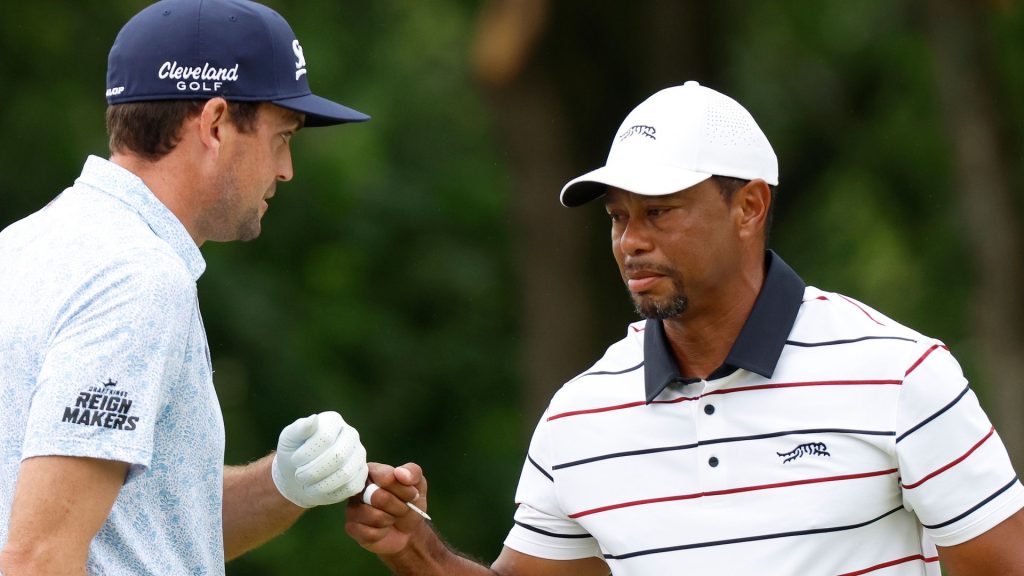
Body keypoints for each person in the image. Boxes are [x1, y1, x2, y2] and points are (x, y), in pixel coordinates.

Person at [345, 81, 1024, 575]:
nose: (631, 241)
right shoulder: (580, 416)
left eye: (660, 212)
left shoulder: (898, 374)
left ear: (749, 207)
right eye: (618, 217)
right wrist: (419, 551)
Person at [0, 0, 371, 573]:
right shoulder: (138, 278)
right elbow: (37, 557)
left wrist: (284, 483)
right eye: (282, 137)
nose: (286, 169)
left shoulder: (23, 245)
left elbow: (140, 534)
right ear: (216, 124)